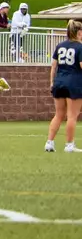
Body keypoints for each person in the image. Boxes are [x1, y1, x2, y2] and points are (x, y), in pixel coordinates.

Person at [44, 20, 82, 153]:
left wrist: (51, 82)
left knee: (58, 114)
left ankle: (49, 143)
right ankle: (69, 145)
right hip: (74, 84)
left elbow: (53, 66)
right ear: (78, 32)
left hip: (59, 82)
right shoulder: (80, 47)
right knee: (72, 116)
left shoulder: (60, 46)